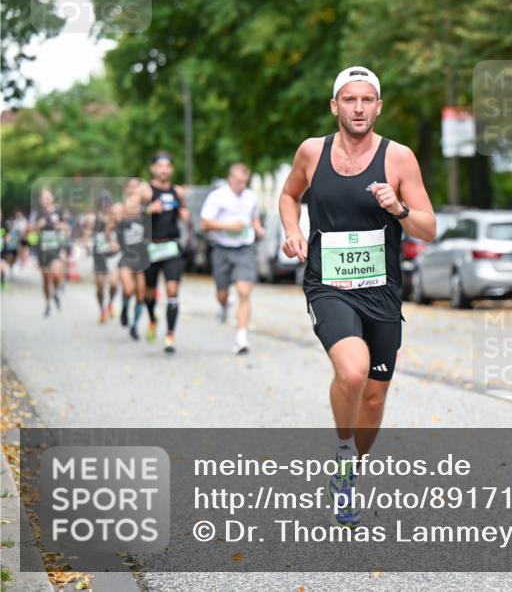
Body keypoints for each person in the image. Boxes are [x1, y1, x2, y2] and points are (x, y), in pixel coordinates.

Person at [279, 66, 435, 526]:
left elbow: (428, 226)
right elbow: (290, 196)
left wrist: (399, 208)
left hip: (381, 291)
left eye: (367, 100)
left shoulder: (399, 158)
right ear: (335, 106)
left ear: (378, 107)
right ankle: (344, 447)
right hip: (328, 283)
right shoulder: (312, 151)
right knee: (353, 372)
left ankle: (349, 472)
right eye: (350, 99)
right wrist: (293, 231)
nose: (359, 108)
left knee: (374, 396)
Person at [200, 163, 264, 354]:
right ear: (230, 179)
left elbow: (253, 218)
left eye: (245, 182)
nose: (242, 186)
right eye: (238, 182)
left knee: (244, 292)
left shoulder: (251, 196)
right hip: (222, 249)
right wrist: (229, 227)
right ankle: (223, 304)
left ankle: (241, 338)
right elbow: (204, 223)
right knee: (222, 293)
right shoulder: (217, 196)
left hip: (245, 249)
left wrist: (258, 227)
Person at [141, 153, 190, 353]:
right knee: (150, 292)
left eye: (167, 166)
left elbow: (183, 211)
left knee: (172, 290)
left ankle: (170, 335)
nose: (164, 169)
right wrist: (147, 210)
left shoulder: (177, 191)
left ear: (171, 169)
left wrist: (185, 214)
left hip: (171, 247)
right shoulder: (145, 191)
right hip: (151, 247)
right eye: (160, 166)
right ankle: (152, 318)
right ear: (152, 168)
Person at [117, 189, 150, 341]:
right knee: (129, 289)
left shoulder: (145, 219)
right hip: (126, 259)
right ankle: (124, 308)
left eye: (137, 205)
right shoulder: (121, 222)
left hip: (142, 260)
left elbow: (148, 195)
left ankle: (134, 326)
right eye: (130, 204)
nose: (134, 207)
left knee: (141, 295)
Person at [32, 188, 71, 317]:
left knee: (55, 274)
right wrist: (38, 225)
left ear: (53, 198)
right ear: (40, 200)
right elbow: (29, 229)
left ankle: (56, 292)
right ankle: (48, 302)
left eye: (48, 197)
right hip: (42, 249)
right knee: (45, 279)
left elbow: (68, 227)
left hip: (56, 247)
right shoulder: (37, 212)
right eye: (43, 198)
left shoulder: (60, 211)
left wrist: (61, 226)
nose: (46, 199)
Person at [93, 194, 123, 323]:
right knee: (100, 286)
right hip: (99, 255)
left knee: (114, 284)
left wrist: (118, 245)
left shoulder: (117, 219)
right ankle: (102, 310)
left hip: (114, 256)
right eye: (103, 205)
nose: (105, 208)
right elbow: (84, 232)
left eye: (108, 205)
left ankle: (110, 303)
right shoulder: (94, 219)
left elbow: (125, 236)